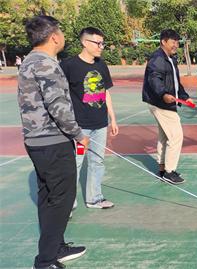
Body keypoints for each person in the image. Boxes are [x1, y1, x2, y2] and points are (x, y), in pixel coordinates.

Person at [18, 15, 88, 269]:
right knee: (61, 199)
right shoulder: (46, 64)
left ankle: (55, 245)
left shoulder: (29, 61)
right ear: (54, 37)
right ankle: (46, 260)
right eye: (61, 32)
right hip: (53, 141)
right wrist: (78, 134)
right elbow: (58, 106)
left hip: (37, 141)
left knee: (49, 196)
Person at [60, 27, 117, 210]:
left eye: (102, 43)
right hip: (80, 128)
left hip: (100, 125)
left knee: (97, 161)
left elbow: (105, 92)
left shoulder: (101, 65)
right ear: (85, 42)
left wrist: (112, 119)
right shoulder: (69, 66)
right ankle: (69, 203)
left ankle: (94, 198)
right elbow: (60, 95)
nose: (101, 46)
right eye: (97, 43)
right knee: (76, 163)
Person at [142, 29, 192, 184]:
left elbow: (175, 81)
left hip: (165, 101)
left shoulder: (170, 58)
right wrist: (163, 94)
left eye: (177, 42)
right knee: (176, 136)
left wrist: (183, 95)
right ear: (163, 42)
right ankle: (170, 172)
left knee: (164, 137)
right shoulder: (157, 59)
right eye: (173, 42)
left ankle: (163, 169)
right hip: (161, 103)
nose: (175, 45)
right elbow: (154, 79)